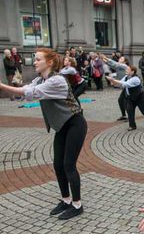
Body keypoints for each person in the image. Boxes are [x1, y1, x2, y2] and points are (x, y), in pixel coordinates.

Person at [0, 48, 87, 219]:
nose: (34, 62)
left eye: (38, 59)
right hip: (62, 126)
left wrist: (2, 86)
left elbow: (32, 93)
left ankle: (77, 205)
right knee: (57, 164)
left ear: (49, 62)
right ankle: (66, 200)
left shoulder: (57, 81)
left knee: (69, 165)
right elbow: (28, 89)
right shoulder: (41, 79)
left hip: (75, 124)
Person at [106, 65, 144, 131]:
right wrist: (112, 81)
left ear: (132, 71)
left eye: (128, 69)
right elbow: (119, 84)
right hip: (131, 97)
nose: (126, 70)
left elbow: (125, 84)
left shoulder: (135, 79)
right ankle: (132, 126)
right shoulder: (126, 77)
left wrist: (113, 80)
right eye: (126, 69)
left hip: (141, 97)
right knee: (129, 110)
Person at [101, 54, 129, 121]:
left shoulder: (124, 66)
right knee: (121, 100)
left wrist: (106, 58)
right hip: (124, 86)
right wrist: (103, 60)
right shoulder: (119, 67)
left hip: (128, 86)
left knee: (125, 101)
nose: (119, 59)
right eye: (120, 58)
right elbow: (112, 65)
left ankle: (129, 116)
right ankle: (124, 115)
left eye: (121, 59)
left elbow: (116, 64)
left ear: (125, 62)